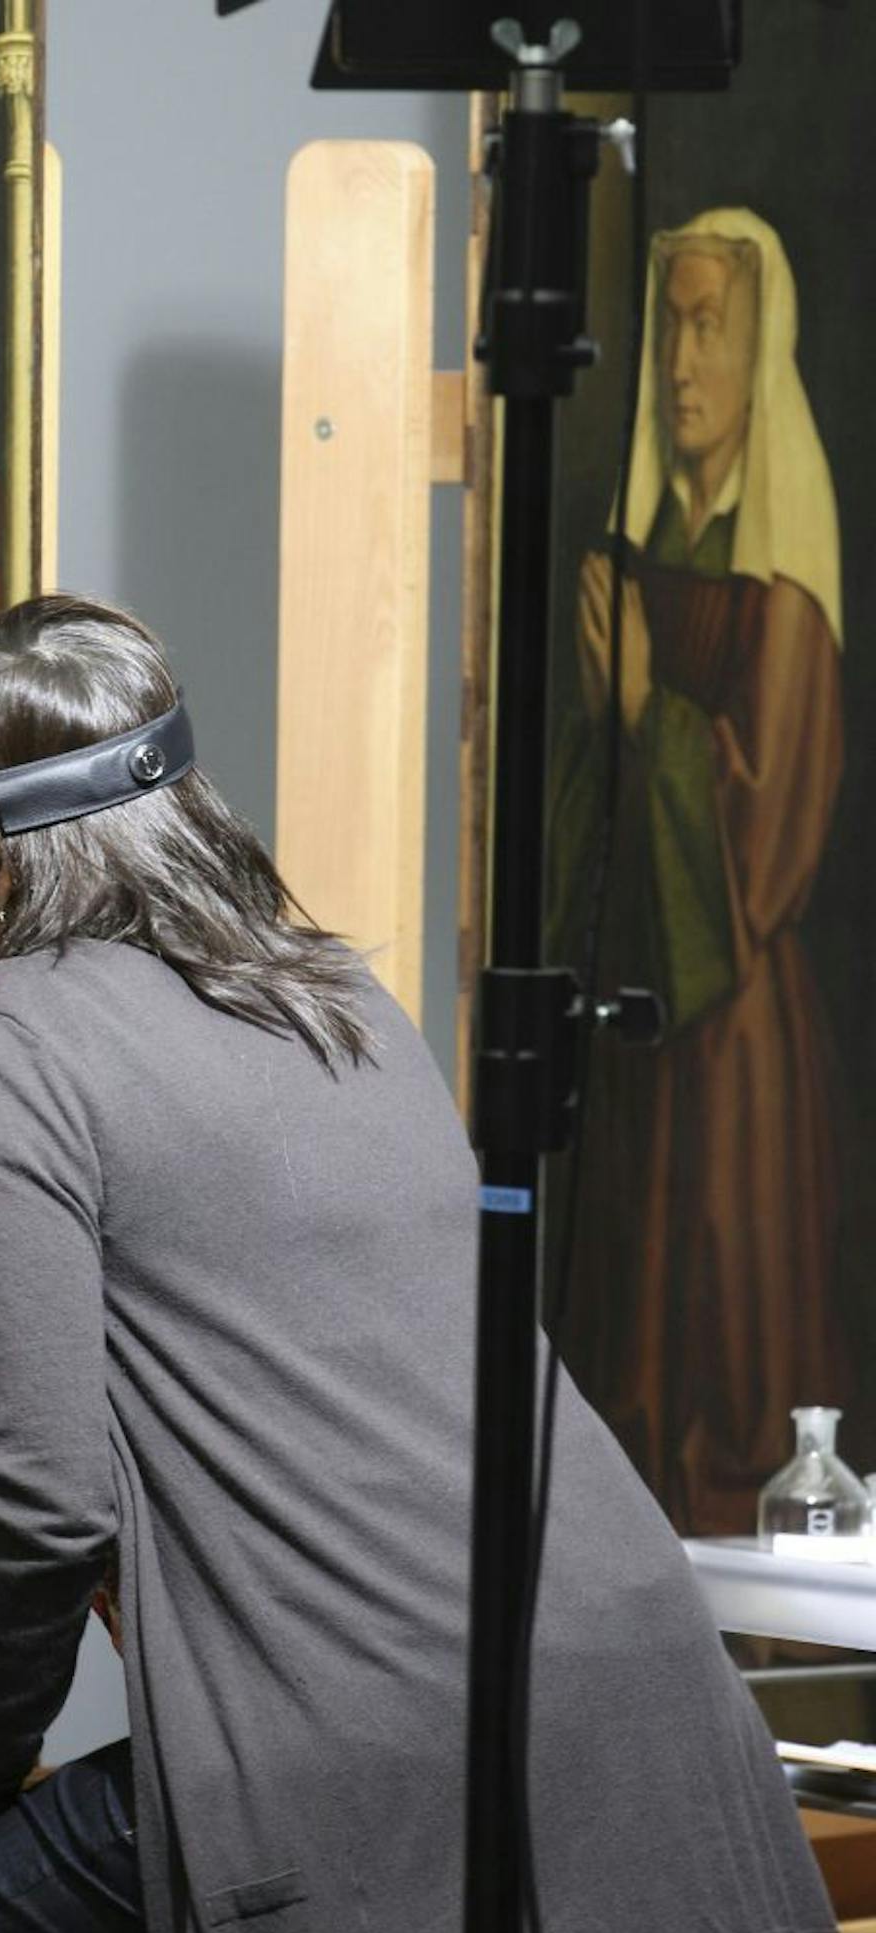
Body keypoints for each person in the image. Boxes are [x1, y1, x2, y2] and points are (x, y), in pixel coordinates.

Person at [0, 595, 845, 1933]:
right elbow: (120, 1176)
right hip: (650, 1740)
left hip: (368, 1767)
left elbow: (45, 1496)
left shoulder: (1, 1032)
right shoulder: (334, 996)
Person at [547, 209, 845, 1537]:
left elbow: (765, 837)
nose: (680, 361)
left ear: (756, 346)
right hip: (641, 1036)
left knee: (725, 1334)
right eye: (670, 323)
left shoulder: (783, 588)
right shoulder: (635, 551)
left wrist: (645, 711)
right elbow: (572, 811)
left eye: (708, 324)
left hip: (735, 1049)